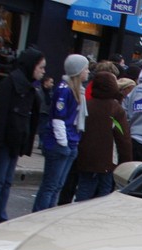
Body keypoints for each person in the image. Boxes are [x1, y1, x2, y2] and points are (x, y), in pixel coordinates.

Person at [0, 47, 45, 229]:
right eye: (40, 67)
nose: (43, 71)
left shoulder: (30, 86)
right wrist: (0, 137)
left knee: (7, 180)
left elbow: (30, 116)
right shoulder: (12, 82)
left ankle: (0, 215)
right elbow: (2, 112)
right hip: (5, 137)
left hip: (16, 137)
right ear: (31, 66)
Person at [33, 53, 88, 211]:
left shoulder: (78, 91)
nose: (88, 72)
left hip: (71, 141)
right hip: (60, 144)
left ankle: (48, 213)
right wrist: (63, 143)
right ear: (78, 71)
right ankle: (40, 216)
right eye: (85, 69)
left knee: (57, 186)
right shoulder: (65, 90)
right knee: (50, 185)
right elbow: (58, 119)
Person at [74, 71, 131, 202]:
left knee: (84, 188)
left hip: (86, 156)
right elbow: (123, 137)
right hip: (107, 159)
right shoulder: (115, 109)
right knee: (104, 191)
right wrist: (126, 160)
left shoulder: (87, 105)